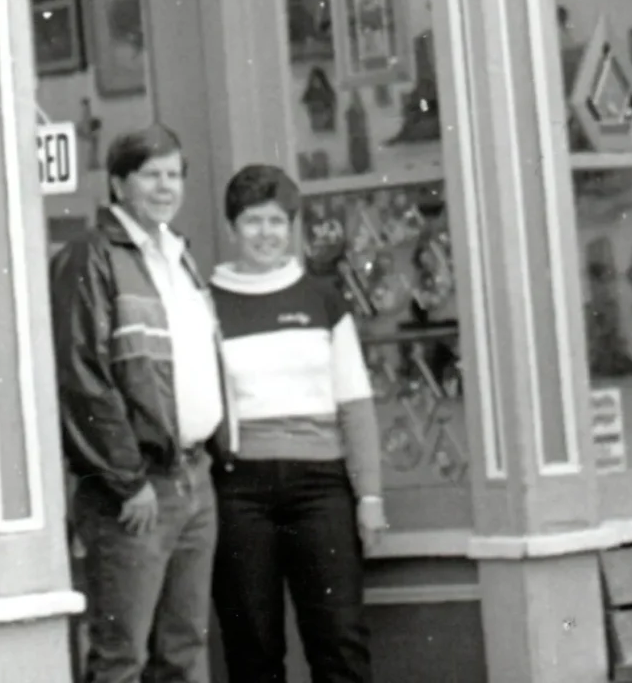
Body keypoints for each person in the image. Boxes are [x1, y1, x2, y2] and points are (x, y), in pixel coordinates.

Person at [50, 124, 233, 683]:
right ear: (118, 183)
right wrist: (128, 480)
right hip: (135, 492)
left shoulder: (178, 255)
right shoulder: (90, 256)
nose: (165, 187)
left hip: (194, 479)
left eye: (174, 175)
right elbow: (82, 378)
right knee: (120, 657)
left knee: (184, 650)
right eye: (151, 175)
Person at [209, 164, 386, 683]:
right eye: (252, 222)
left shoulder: (321, 299)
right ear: (232, 228)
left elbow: (355, 403)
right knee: (253, 648)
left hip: (322, 489)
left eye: (277, 221)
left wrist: (370, 497)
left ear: (292, 227)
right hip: (239, 491)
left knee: (339, 641)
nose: (266, 234)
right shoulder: (207, 304)